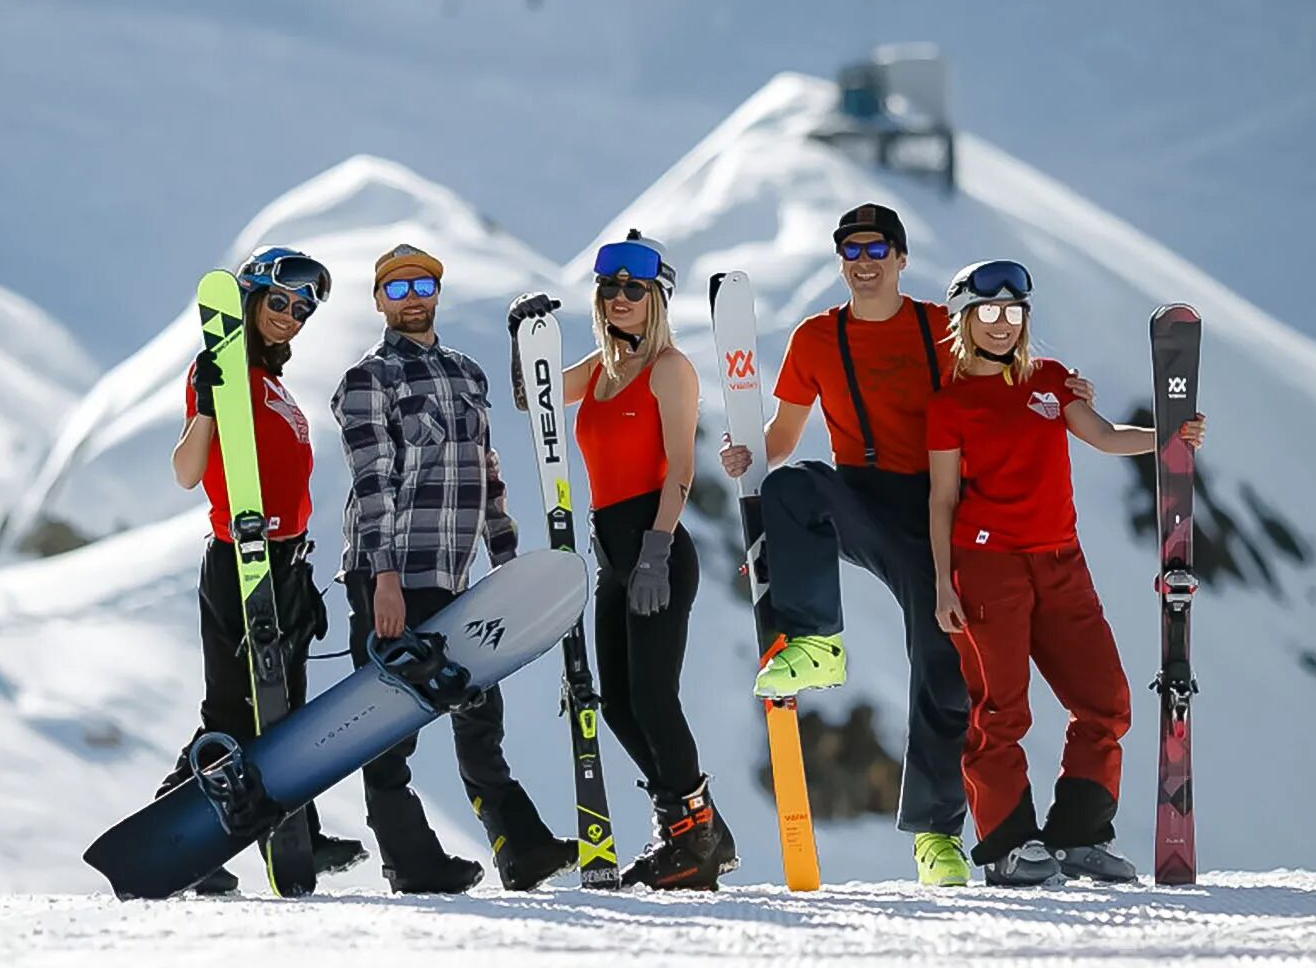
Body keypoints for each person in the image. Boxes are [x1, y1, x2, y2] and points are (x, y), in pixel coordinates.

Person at [717, 202, 1094, 888]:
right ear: (840, 261)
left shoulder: (938, 331)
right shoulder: (814, 340)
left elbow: (1001, 374)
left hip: (938, 510)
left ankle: (936, 837)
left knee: (945, 666)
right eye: (851, 252)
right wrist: (749, 456)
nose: (863, 264)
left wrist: (1065, 390)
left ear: (901, 259)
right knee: (793, 487)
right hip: (863, 496)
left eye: (876, 251)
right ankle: (816, 643)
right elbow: (784, 436)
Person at [925, 259, 1204, 886]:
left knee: (1106, 701)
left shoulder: (1050, 383)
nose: (1002, 324)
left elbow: (1103, 437)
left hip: (1061, 562)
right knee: (1000, 712)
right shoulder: (948, 406)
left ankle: (1078, 836)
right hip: (987, 567)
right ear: (963, 320)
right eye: (988, 313)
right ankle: (1006, 845)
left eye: (1013, 313)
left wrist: (1169, 437)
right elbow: (941, 499)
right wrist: (944, 582)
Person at [332, 243, 581, 894]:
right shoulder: (367, 381)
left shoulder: (468, 373)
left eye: (421, 285)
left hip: (452, 570)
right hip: (388, 571)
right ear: (380, 302)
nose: (410, 297)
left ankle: (520, 848)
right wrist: (383, 576)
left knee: (477, 710)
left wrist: (507, 563)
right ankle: (408, 861)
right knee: (389, 723)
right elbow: (372, 480)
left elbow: (487, 473)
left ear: (436, 293)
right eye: (396, 288)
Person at [507, 231, 736, 890]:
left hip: (655, 546)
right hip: (612, 553)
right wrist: (522, 338)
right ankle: (698, 827)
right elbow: (536, 398)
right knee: (618, 706)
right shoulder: (602, 367)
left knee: (656, 698)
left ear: (657, 297)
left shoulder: (670, 368)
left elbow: (683, 468)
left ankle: (692, 842)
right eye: (609, 288)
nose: (620, 298)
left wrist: (657, 552)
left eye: (634, 289)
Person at [164, 246, 368, 895]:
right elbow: (188, 473)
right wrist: (206, 406)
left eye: (302, 309)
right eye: (280, 301)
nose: (291, 315)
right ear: (251, 300)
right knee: (231, 712)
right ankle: (175, 834)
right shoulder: (220, 372)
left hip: (285, 565)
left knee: (283, 718)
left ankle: (295, 834)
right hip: (238, 560)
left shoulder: (273, 385)